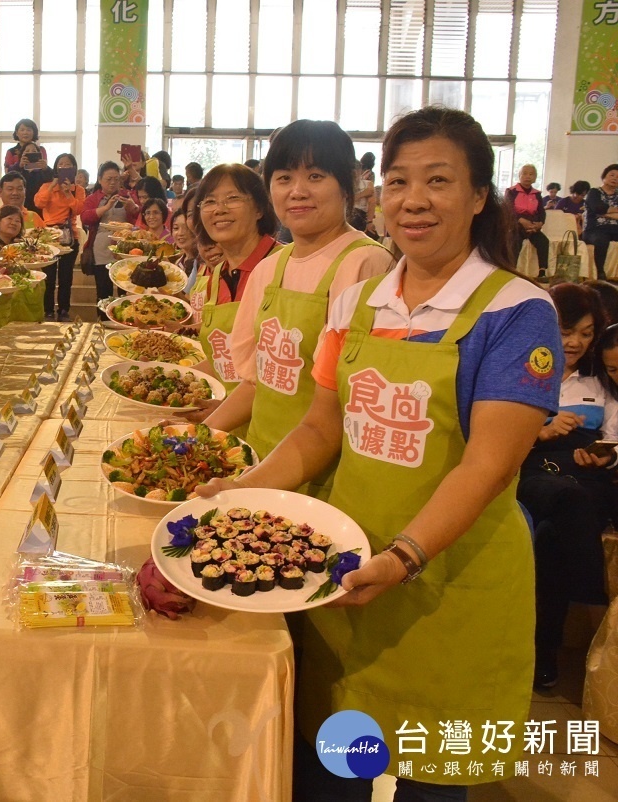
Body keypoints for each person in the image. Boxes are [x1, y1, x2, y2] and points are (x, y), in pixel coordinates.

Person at [200, 106, 563, 800]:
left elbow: (487, 465)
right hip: (346, 567)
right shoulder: (359, 303)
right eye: (398, 181)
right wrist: (235, 491)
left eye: (439, 181)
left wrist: (404, 556)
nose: (414, 200)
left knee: (427, 781)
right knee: (331, 765)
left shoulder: (516, 313)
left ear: (480, 195)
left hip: (445, 584)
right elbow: (317, 431)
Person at [200, 119, 392, 497]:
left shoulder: (365, 263)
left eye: (316, 176)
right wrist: (199, 437)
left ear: (348, 183)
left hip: (318, 478)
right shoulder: (271, 268)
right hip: (255, 462)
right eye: (284, 178)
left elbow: (347, 405)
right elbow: (257, 381)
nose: (298, 191)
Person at [519, 283, 616, 690]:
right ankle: (596, 601)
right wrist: (541, 430)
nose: (575, 342)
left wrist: (607, 455)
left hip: (588, 478)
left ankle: (543, 656)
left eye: (586, 332)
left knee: (553, 539)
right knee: (567, 499)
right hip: (535, 474)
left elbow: (614, 435)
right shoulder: (523, 368)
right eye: (566, 330)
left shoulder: (601, 381)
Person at [188, 164, 280, 395]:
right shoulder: (218, 273)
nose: (220, 209)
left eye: (233, 198)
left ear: (259, 208)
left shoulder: (283, 266)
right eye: (209, 202)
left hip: (270, 422)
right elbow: (223, 360)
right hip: (223, 419)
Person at [34, 153, 86, 320]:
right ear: (56, 168)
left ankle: (64, 310)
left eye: (68, 164)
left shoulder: (78, 189)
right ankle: (48, 310)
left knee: (66, 277)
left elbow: (79, 210)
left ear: (74, 169)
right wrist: (53, 186)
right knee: (48, 277)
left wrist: (68, 193)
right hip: (48, 236)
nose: (64, 166)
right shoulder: (46, 186)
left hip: (70, 236)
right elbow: (39, 203)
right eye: (61, 164)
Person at [81, 161, 140, 307]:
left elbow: (138, 219)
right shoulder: (93, 198)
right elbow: (85, 217)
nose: (113, 183)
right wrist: (106, 207)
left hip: (124, 249)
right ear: (100, 180)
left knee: (125, 289)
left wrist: (132, 208)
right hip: (101, 248)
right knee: (103, 290)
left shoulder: (127, 195)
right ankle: (104, 322)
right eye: (109, 179)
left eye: (116, 179)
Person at [506, 163, 549, 277]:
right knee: (515, 240)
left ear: (535, 177)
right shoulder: (511, 191)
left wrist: (540, 223)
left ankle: (542, 272)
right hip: (516, 224)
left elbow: (541, 211)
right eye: (524, 173)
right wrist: (521, 220)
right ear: (519, 175)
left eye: (531, 174)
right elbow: (508, 209)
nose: (528, 176)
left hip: (533, 226)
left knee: (544, 242)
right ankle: (512, 270)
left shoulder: (537, 194)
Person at [583, 164, 618, 277]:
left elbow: (601, 210)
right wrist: (613, 211)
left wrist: (605, 213)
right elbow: (597, 208)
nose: (615, 178)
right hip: (595, 229)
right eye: (612, 175)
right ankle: (600, 272)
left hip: (614, 228)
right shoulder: (594, 192)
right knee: (601, 240)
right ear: (604, 177)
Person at [350, 152, 376, 231]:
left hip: (359, 215)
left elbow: (372, 201)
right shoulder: (344, 184)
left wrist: (369, 221)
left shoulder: (368, 184)